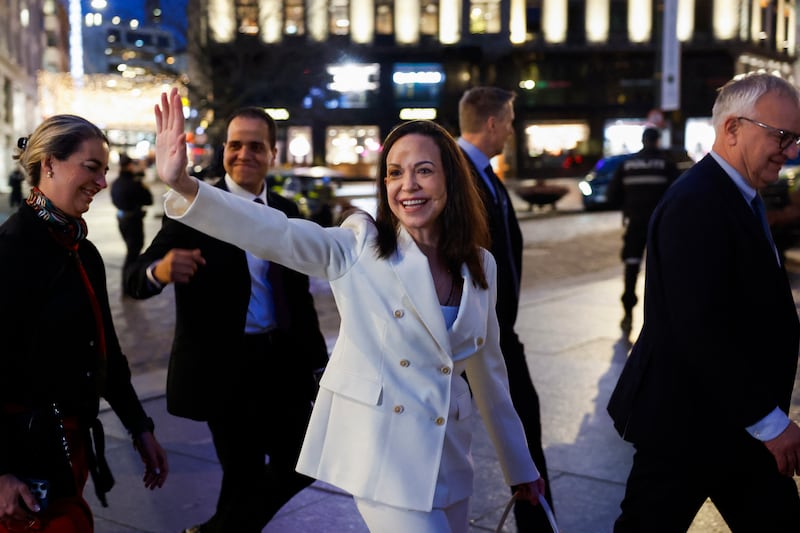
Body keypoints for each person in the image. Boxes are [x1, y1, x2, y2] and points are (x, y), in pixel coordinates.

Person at [153, 87, 545, 532]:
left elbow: (490, 375)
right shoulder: (360, 246)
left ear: (451, 182)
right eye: (395, 173)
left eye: (424, 171)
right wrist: (185, 185)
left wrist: (521, 468)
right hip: (386, 466)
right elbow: (273, 232)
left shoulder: (480, 264)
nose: (408, 185)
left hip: (450, 465)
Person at [607, 73, 800, 532]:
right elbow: (699, 329)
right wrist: (771, 423)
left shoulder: (735, 195)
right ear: (732, 128)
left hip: (731, 425)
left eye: (796, 138)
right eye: (782, 136)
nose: (791, 151)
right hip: (687, 427)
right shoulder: (698, 201)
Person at [124, 106, 329, 533]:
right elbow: (135, 280)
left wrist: (319, 365)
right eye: (236, 144)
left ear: (273, 153)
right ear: (224, 150)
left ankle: (215, 531)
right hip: (225, 367)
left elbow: (299, 297)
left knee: (310, 458)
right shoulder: (195, 207)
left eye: (256, 146)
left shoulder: (288, 210)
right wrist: (159, 271)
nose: (244, 154)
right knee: (244, 471)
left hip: (282, 362)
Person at [0, 115, 168, 532]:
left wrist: (138, 426)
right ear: (49, 163)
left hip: (66, 448)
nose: (102, 182)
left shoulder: (81, 250)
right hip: (23, 460)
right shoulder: (11, 251)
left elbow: (104, 347)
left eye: (104, 170)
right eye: (91, 167)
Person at [457, 86, 554, 531]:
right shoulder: (457, 175)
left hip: (498, 331)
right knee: (520, 433)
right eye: (510, 121)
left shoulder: (485, 174)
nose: (512, 130)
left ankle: (538, 522)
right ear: (492, 123)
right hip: (477, 335)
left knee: (522, 433)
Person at [606, 127, 680, 335]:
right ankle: (660, 318)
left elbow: (612, 196)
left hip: (635, 224)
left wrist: (629, 207)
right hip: (661, 227)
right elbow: (678, 195)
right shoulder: (666, 165)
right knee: (661, 271)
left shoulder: (627, 164)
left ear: (642, 141)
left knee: (631, 268)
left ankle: (628, 313)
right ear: (657, 141)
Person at [111, 154, 153, 277]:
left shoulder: (116, 183)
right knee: (134, 251)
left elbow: (115, 201)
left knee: (131, 250)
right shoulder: (134, 183)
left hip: (121, 219)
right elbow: (149, 200)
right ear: (129, 166)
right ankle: (129, 279)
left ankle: (128, 279)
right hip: (133, 221)